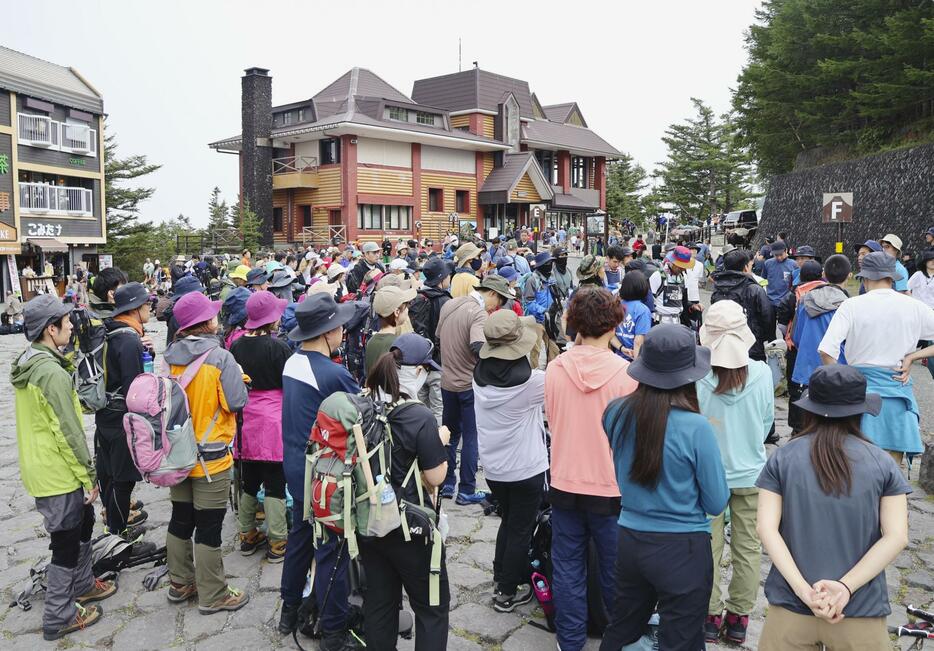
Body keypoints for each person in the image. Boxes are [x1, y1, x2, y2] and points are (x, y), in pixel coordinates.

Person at [756, 365, 910, 650]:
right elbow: (897, 536)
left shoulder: (782, 459)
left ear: (810, 409)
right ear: (859, 410)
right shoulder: (882, 463)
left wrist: (804, 592)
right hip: (860, 609)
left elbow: (766, 528)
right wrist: (845, 587)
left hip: (791, 606)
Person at [600, 324, 729, 651]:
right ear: (689, 375)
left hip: (629, 538)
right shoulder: (697, 428)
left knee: (622, 628)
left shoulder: (614, 413)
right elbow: (716, 502)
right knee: (682, 638)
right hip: (683, 548)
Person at [13, 295, 117, 640]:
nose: (72, 327)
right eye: (66, 322)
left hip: (42, 465)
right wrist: (89, 476)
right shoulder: (49, 374)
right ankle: (59, 614)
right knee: (66, 540)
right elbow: (68, 431)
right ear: (50, 329)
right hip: (58, 470)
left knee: (83, 521)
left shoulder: (35, 361)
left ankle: (84, 583)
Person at [545, 287, 638, 651]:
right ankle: (617, 639)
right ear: (615, 324)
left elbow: (553, 422)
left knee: (567, 566)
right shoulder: (627, 375)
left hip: (565, 480)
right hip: (611, 486)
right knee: (617, 571)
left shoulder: (555, 369)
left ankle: (570, 641)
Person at [277, 294, 362, 649]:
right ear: (328, 331)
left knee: (299, 539)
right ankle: (333, 631)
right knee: (332, 549)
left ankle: (289, 610)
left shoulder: (292, 361)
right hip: (324, 473)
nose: (343, 331)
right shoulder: (331, 372)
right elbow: (359, 410)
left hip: (295, 464)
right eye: (339, 326)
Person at [358, 341, 450, 650]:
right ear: (419, 371)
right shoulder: (418, 416)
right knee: (431, 608)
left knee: (380, 606)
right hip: (409, 527)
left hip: (368, 522)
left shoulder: (364, 404)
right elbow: (436, 476)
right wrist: (441, 441)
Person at [162, 292, 249, 614]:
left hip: (177, 451)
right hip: (210, 454)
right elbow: (235, 402)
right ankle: (213, 594)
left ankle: (180, 583)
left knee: (180, 519)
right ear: (206, 322)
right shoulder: (219, 357)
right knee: (210, 525)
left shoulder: (169, 355)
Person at [696, 301, 774, 645]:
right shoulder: (762, 372)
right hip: (752, 473)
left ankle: (709, 615)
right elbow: (767, 423)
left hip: (708, 475)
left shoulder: (698, 377)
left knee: (708, 546)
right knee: (748, 546)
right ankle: (740, 618)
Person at [818, 251, 934, 466]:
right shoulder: (914, 306)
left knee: (856, 468)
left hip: (858, 394)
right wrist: (912, 357)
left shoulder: (852, 306)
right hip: (897, 392)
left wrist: (842, 383)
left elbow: (826, 350)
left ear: (866, 278)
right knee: (891, 474)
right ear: (891, 277)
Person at [473, 310, 547, 612]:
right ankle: (507, 590)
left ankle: (499, 575)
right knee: (520, 529)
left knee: (509, 522)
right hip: (525, 468)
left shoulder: (479, 376)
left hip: (494, 468)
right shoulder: (531, 384)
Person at [436, 275, 511, 505]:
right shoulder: (477, 313)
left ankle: (447, 483)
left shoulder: (449, 304)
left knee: (450, 434)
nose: (496, 307)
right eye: (497, 302)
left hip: (447, 382)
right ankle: (467, 489)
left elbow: (438, 336)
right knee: (471, 436)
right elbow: (477, 346)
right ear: (491, 293)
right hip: (469, 385)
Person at [229, 291, 292, 563]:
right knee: (276, 482)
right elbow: (288, 385)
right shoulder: (279, 347)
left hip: (245, 419)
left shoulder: (236, 346)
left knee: (249, 480)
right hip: (273, 419)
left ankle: (247, 533)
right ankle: (278, 540)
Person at [95, 283, 155, 542]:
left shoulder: (109, 331)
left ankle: (112, 530)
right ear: (135, 308)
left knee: (108, 476)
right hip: (121, 417)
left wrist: (147, 352)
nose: (150, 307)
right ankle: (117, 538)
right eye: (147, 304)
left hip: (104, 413)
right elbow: (134, 389)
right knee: (123, 481)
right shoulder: (129, 339)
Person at [789, 255, 851, 434]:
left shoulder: (804, 300)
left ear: (824, 274)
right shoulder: (848, 305)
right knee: (833, 426)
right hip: (836, 369)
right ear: (849, 276)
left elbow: (796, 336)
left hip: (806, 368)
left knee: (807, 424)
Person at [408, 257, 453, 424]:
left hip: (419, 364)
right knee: (439, 409)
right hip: (438, 363)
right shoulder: (445, 301)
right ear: (441, 279)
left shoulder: (418, 297)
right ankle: (437, 445)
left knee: (420, 408)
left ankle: (421, 444)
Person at [711, 249, 775, 362]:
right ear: (746, 267)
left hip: (723, 344)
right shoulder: (754, 289)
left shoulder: (718, 287)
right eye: (751, 265)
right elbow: (767, 316)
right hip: (751, 344)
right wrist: (769, 338)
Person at [365, 285, 416, 373]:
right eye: (406, 305)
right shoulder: (399, 344)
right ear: (397, 312)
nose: (408, 309)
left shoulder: (371, 342)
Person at [522, 251, 559, 370]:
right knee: (535, 350)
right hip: (536, 320)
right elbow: (529, 302)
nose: (550, 265)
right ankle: (534, 373)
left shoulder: (551, 278)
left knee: (553, 348)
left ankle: (552, 371)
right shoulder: (532, 280)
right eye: (548, 263)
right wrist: (543, 311)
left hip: (550, 319)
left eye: (551, 262)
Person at [613, 271, 652, 361]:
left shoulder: (616, 305)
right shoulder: (643, 310)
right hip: (633, 359)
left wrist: (621, 348)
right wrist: (637, 363)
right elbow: (638, 341)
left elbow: (610, 335)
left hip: (617, 357)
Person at [763, 241, 797, 306]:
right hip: (770, 301)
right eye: (776, 255)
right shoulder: (767, 263)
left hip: (786, 302)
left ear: (786, 251)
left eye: (781, 254)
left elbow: (795, 285)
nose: (779, 257)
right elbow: (764, 280)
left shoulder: (794, 264)